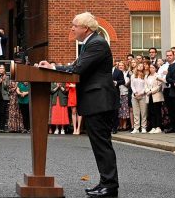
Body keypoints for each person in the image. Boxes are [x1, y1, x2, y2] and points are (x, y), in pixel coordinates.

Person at [38, 12, 119, 197]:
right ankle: (105, 183)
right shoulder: (90, 43)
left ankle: (110, 186)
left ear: (86, 28)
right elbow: (78, 66)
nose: (72, 28)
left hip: (99, 101)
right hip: (95, 100)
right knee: (99, 145)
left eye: (75, 25)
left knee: (102, 145)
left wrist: (53, 68)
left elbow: (78, 69)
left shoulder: (97, 43)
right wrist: (55, 67)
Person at [145, 65, 164, 134]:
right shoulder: (147, 76)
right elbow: (145, 85)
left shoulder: (158, 76)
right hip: (149, 96)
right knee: (151, 112)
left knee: (157, 112)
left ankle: (158, 127)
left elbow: (159, 86)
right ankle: (153, 127)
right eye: (150, 67)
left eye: (153, 68)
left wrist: (151, 91)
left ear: (156, 69)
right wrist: (147, 91)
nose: (151, 69)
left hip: (156, 96)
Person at [131, 63, 147, 134]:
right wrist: (135, 93)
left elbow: (145, 86)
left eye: (142, 66)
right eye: (139, 66)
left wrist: (141, 93)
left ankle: (143, 127)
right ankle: (136, 128)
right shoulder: (133, 75)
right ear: (137, 67)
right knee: (136, 112)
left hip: (142, 96)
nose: (140, 67)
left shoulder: (145, 76)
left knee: (143, 112)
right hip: (134, 96)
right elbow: (132, 85)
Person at [117, 61, 130, 131]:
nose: (121, 66)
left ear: (124, 66)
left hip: (124, 93)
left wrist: (121, 81)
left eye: (122, 65)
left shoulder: (126, 73)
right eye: (119, 65)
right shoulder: (116, 73)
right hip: (118, 93)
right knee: (119, 110)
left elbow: (126, 84)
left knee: (125, 110)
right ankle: (120, 125)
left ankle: (124, 125)